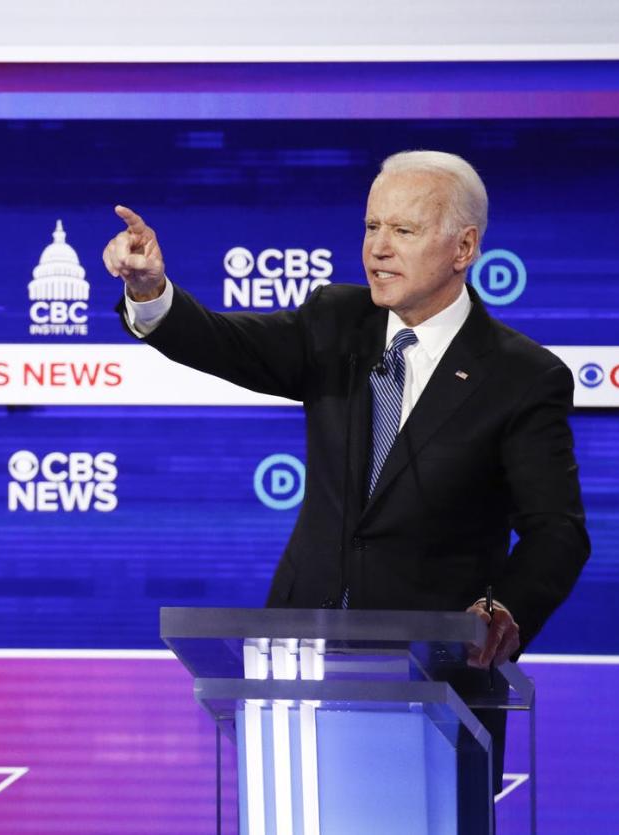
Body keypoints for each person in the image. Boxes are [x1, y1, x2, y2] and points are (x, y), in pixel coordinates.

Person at [103, 150, 589, 793]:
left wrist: (502, 609)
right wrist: (149, 292)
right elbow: (223, 342)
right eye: (370, 228)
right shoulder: (336, 322)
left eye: (403, 231)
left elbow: (557, 531)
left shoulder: (521, 377)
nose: (378, 249)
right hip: (300, 665)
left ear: (464, 246)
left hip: (437, 687)